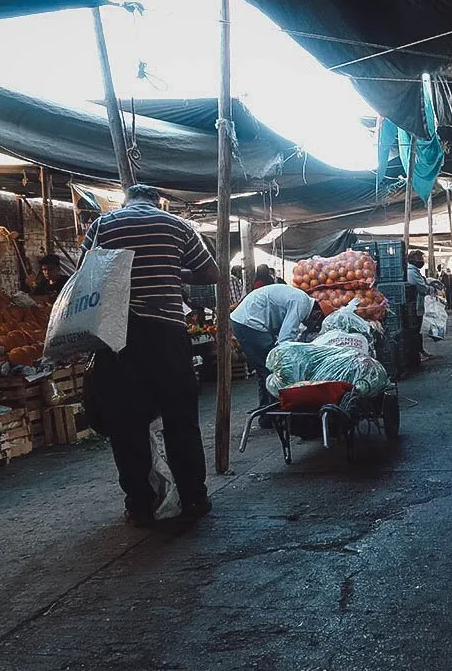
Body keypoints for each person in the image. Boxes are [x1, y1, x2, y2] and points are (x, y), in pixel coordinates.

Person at [82, 183, 220, 528]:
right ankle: (193, 498)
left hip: (117, 336)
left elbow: (86, 275)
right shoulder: (177, 226)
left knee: (125, 424)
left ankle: (139, 504)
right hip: (165, 335)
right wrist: (175, 272)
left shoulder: (103, 224)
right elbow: (211, 274)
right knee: (180, 419)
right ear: (159, 202)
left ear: (125, 201)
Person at [231, 283, 324, 411]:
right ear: (317, 315)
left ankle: (266, 411)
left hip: (245, 320)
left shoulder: (301, 300)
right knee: (273, 369)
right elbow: (285, 338)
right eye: (316, 325)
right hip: (248, 322)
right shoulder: (301, 303)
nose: (311, 327)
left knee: (263, 368)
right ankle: (274, 411)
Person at [406, 250, 433, 360]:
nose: (421, 261)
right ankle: (418, 353)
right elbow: (420, 287)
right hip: (414, 305)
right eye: (420, 259)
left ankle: (421, 351)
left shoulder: (414, 271)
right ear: (413, 260)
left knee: (418, 329)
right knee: (415, 329)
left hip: (417, 304)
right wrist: (430, 288)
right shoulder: (411, 272)